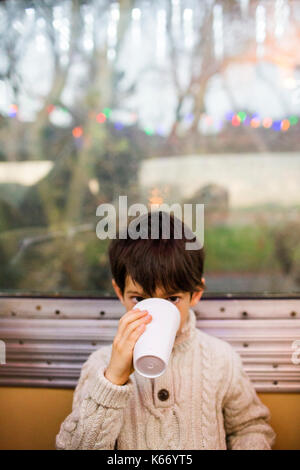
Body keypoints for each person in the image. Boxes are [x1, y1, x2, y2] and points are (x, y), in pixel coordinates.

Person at [55, 210, 276, 450]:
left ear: (196, 293)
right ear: (119, 293)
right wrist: (113, 380)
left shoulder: (221, 358)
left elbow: (250, 427)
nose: (154, 314)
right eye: (139, 299)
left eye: (172, 298)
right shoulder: (100, 365)